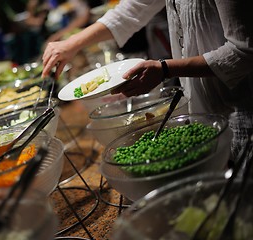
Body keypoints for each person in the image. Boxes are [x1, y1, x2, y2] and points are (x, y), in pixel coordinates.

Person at [41, 0, 253, 163]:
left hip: (242, 114)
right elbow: (132, 9)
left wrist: (164, 70)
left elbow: (244, 51)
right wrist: (70, 44)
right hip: (204, 110)